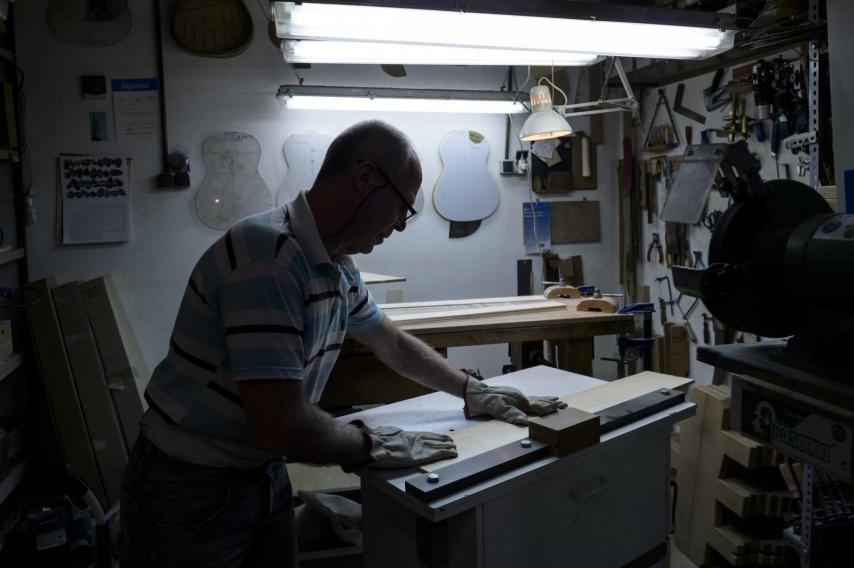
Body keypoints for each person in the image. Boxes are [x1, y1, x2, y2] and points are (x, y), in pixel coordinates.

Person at [119, 120, 566, 567]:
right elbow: (280, 424)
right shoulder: (269, 258)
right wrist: (369, 445)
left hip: (258, 472)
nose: (400, 225)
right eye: (403, 208)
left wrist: (470, 389)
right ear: (366, 178)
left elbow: (389, 342)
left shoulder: (334, 263)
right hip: (192, 486)